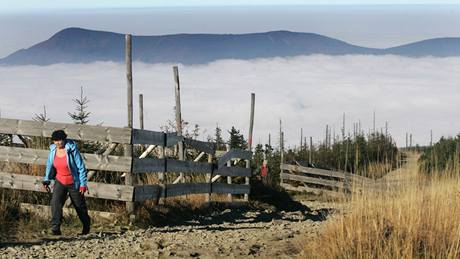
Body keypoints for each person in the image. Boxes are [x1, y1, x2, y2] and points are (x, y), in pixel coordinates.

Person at [42, 130, 91, 235]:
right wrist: (47, 179)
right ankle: (55, 229)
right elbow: (49, 165)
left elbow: (81, 168)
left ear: (64, 139)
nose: (58, 143)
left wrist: (83, 184)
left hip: (74, 182)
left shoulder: (72, 150)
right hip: (60, 181)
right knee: (55, 203)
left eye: (60, 140)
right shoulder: (53, 151)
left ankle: (86, 226)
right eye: (55, 141)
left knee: (79, 206)